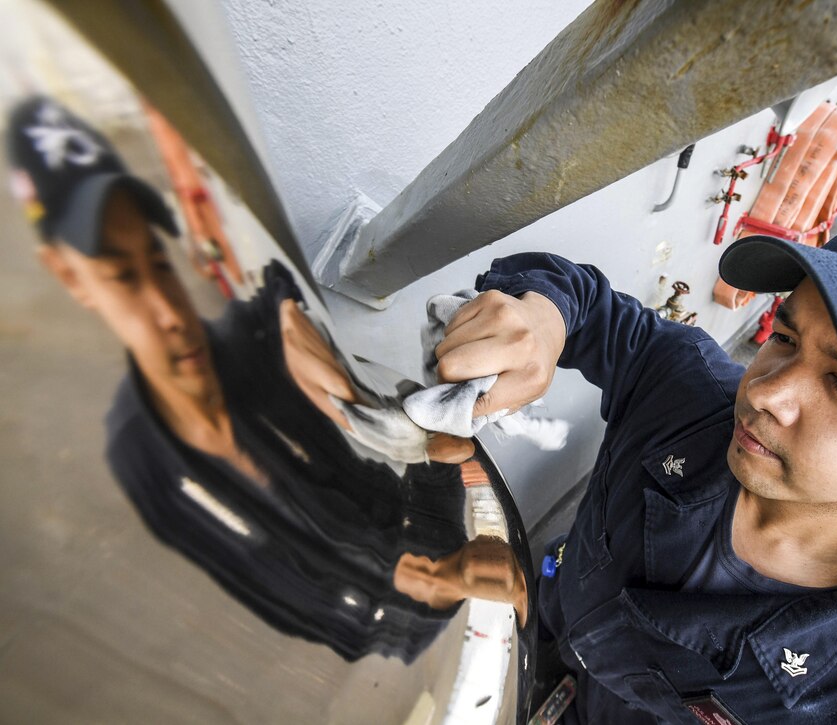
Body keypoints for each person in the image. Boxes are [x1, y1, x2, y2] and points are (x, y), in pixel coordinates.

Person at [434, 191, 837, 722]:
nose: (766, 391)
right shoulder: (689, 395)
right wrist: (542, 319)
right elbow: (581, 298)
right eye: (783, 335)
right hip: (523, 636)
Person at [6, 95, 482, 662]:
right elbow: (266, 591)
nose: (167, 309)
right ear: (72, 278)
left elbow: (275, 296)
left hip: (437, 588)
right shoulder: (139, 456)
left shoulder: (246, 346)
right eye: (123, 277)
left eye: (158, 264)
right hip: (371, 654)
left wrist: (293, 322)